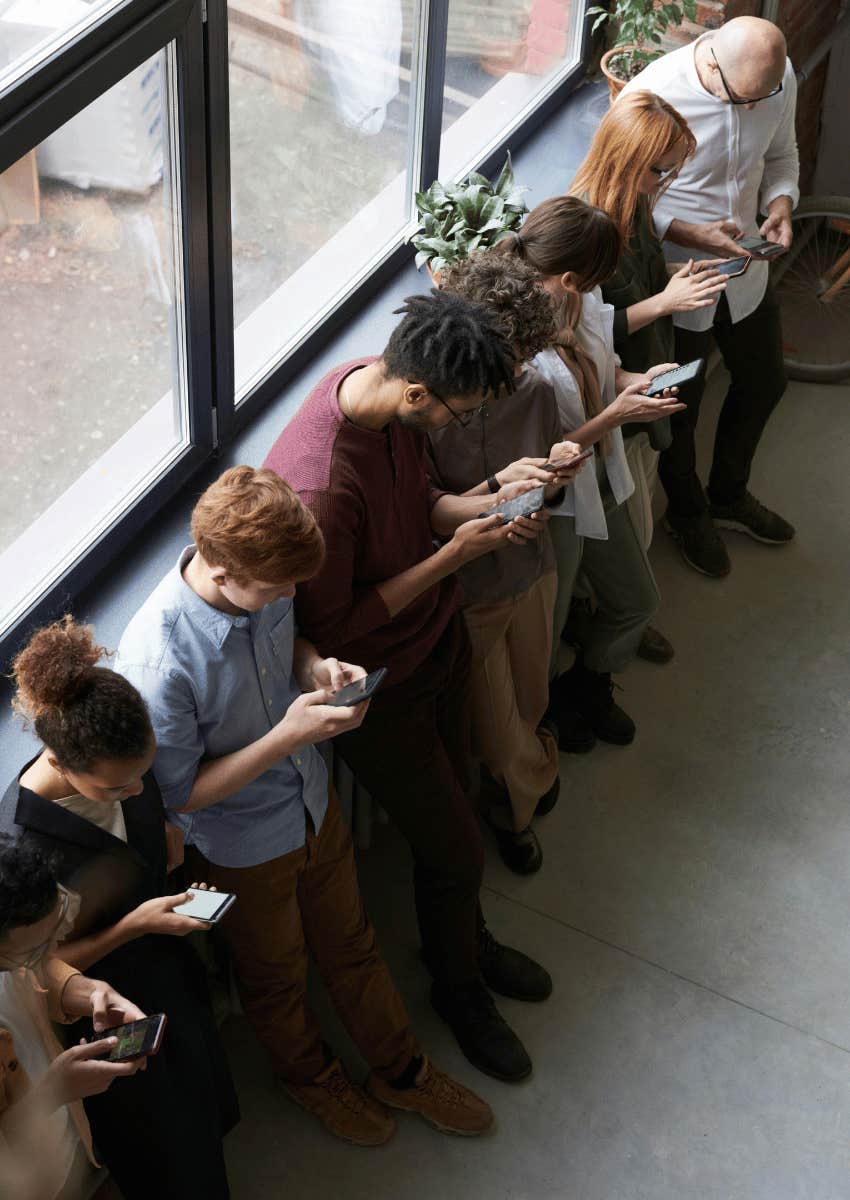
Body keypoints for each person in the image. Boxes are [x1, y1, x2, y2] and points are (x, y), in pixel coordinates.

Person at [116, 465, 494, 1143]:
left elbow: (289, 640)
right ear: (219, 567)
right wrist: (285, 735)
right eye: (275, 589)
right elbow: (177, 798)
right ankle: (311, 1079)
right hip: (239, 848)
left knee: (354, 943)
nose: (289, 596)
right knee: (276, 975)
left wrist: (316, 667)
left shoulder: (268, 579)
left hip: (314, 805)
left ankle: (399, 1069)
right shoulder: (158, 663)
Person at [264, 290, 555, 1085]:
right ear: (418, 393)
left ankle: (461, 939)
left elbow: (425, 505)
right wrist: (457, 557)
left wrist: (489, 503)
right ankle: (460, 990)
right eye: (459, 415)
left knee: (457, 812)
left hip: (437, 641)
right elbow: (341, 633)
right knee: (456, 844)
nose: (459, 428)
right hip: (380, 690)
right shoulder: (320, 489)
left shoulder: (379, 391)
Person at [2, 617, 239, 1199]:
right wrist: (132, 928)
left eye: (142, 777)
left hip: (168, 977)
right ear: (59, 763)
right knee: (165, 1148)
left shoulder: (124, 758)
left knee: (201, 1110)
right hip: (108, 1016)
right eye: (116, 789)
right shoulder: (21, 849)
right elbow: (41, 962)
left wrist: (162, 832)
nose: (135, 792)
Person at [620, 15, 799, 577]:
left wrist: (780, 205)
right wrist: (687, 232)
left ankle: (728, 495)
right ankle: (688, 512)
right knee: (681, 407)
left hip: (746, 272)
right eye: (739, 99)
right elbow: (622, 195)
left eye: (761, 97)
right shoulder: (650, 95)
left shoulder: (777, 76)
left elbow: (782, 155)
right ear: (712, 62)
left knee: (766, 380)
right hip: (679, 281)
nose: (752, 109)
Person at [502, 197, 684, 747]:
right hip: (556, 502)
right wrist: (615, 417)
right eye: (594, 279)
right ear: (567, 276)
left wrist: (634, 379)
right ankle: (548, 710)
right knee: (548, 626)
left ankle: (589, 683)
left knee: (637, 600)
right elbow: (539, 459)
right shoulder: (515, 346)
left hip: (601, 478)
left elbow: (605, 367)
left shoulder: (580, 297)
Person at [427, 251, 585, 874]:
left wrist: (556, 483)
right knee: (493, 729)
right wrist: (494, 496)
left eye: (526, 355)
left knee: (531, 694)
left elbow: (547, 479)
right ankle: (521, 802)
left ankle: (531, 768)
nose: (519, 369)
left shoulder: (537, 386)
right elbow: (424, 515)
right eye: (512, 356)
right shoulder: (428, 413)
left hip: (532, 566)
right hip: (470, 590)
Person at [570, 88, 728, 661]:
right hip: (617, 399)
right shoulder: (585, 226)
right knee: (628, 530)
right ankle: (615, 620)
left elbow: (642, 281)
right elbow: (576, 335)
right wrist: (666, 302)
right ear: (631, 160)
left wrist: (679, 275)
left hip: (648, 379)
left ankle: (620, 613)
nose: (666, 182)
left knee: (637, 514)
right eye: (662, 170)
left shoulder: (634, 205)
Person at [0, 835, 146, 1200]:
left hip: (65, 1147)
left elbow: (32, 972)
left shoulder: (15, 940)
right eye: (37, 948)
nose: (56, 950)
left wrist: (92, 991)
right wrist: (54, 1092)